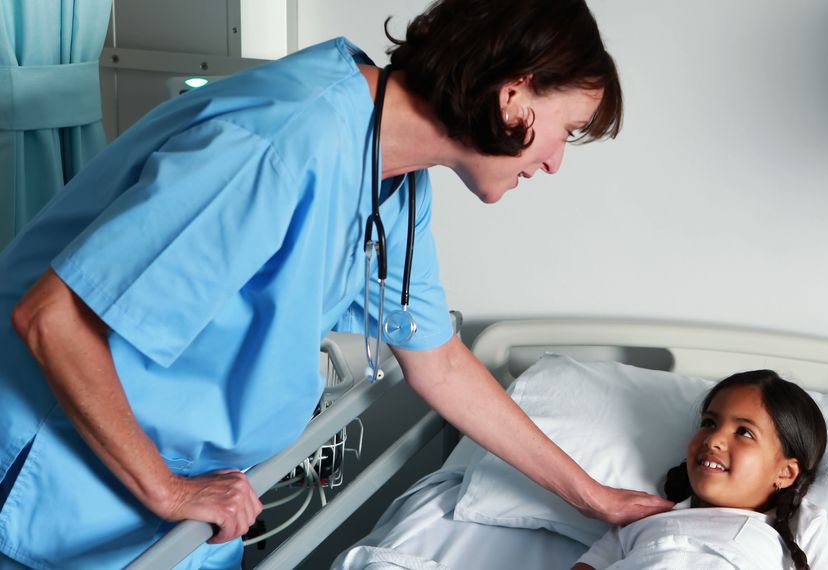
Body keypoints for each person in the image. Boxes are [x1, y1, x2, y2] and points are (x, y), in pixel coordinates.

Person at [0, 0, 673, 567]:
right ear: (514, 94)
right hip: (60, 468)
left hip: (181, 496)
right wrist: (170, 491)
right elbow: (51, 318)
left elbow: (436, 361)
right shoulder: (284, 141)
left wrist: (595, 497)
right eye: (567, 131)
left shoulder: (393, 173)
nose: (555, 162)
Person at [571, 370, 828, 570]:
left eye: (744, 432)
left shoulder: (798, 527)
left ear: (785, 473)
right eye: (709, 423)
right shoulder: (643, 519)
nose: (713, 440)